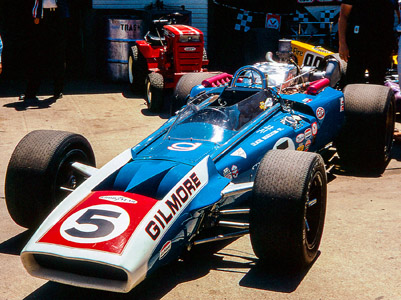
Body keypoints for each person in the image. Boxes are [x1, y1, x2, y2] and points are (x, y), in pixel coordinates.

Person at [20, 0, 70, 101]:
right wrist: (37, 15)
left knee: (58, 55)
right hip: (43, 14)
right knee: (38, 54)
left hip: (58, 14)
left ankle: (58, 90)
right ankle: (31, 92)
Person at [338, 0, 398, 85]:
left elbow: (397, 16)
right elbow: (343, 16)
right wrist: (342, 44)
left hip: (382, 44)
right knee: (354, 81)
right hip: (358, 44)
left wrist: (394, 43)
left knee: (377, 82)